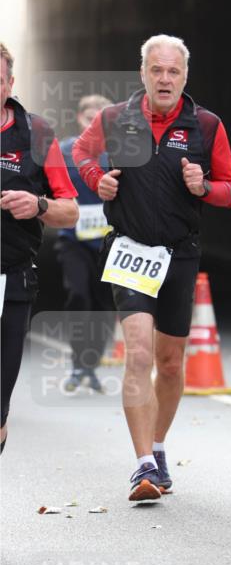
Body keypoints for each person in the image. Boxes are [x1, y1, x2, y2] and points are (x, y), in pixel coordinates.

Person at [73, 34, 231, 503]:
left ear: (185, 77)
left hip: (180, 253)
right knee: (140, 354)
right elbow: (81, 154)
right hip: (128, 250)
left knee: (169, 364)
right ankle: (143, 463)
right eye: (156, 70)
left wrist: (204, 185)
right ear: (142, 72)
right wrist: (97, 180)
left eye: (173, 71)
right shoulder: (114, 118)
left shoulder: (206, 124)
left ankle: (160, 446)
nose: (164, 78)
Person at [0, 43, 79, 453]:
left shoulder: (36, 133)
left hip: (11, 278)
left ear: (10, 84)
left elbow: (70, 212)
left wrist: (38, 205)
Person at [55, 94, 115, 393]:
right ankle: (78, 363)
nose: (94, 120)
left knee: (105, 305)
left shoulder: (120, 154)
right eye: (89, 115)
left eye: (101, 115)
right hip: (74, 241)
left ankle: (90, 366)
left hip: (110, 245)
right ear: (79, 119)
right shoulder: (65, 152)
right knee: (78, 296)